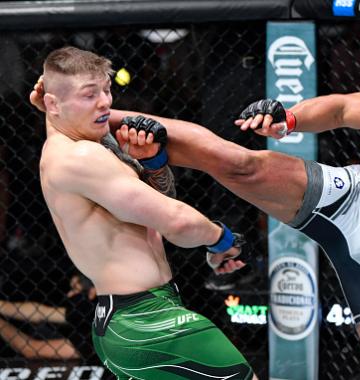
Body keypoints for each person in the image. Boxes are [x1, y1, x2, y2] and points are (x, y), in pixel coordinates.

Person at [31, 34, 360, 379]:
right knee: (239, 162)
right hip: (354, 198)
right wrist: (290, 118)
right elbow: (349, 108)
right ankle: (92, 114)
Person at [35, 46, 256, 380]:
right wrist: (221, 239)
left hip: (132, 318)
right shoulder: (79, 157)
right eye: (89, 94)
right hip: (145, 320)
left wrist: (154, 167)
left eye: (107, 90)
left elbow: (154, 210)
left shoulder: (79, 148)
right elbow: (176, 222)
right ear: (53, 104)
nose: (105, 103)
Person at [0, 272, 96, 360]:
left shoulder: (100, 326)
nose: (69, 294)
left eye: (75, 289)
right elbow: (41, 312)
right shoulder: (87, 311)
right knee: (41, 329)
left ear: (92, 292)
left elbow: (32, 349)